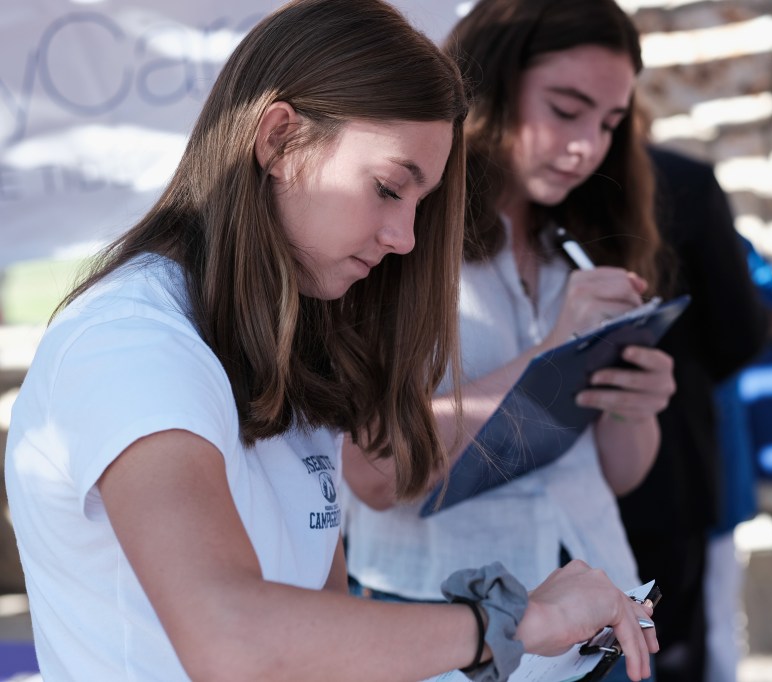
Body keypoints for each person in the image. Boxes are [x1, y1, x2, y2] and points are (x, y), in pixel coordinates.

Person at [3, 1, 659, 680]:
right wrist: (510, 623)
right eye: (386, 189)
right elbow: (230, 637)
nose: (404, 238)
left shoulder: (296, 346)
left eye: (419, 205)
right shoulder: (131, 342)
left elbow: (323, 640)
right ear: (280, 140)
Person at [341, 0, 675, 680]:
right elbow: (373, 472)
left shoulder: (577, 241)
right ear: (488, 88)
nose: (588, 146)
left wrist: (633, 404)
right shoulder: (396, 238)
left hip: (606, 607)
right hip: (439, 622)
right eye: (565, 108)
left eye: (611, 123)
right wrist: (551, 356)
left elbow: (615, 474)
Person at [617, 146, 772, 682]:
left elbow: (759, 316)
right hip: (669, 474)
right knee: (686, 638)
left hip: (656, 468)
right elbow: (741, 332)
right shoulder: (681, 183)